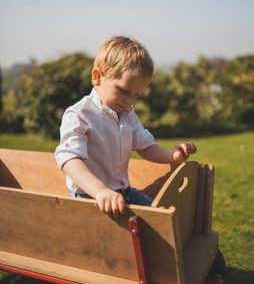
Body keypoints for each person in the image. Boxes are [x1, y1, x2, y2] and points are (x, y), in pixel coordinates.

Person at [55, 35, 197, 216]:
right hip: (89, 197)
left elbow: (146, 146)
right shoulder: (80, 115)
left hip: (125, 192)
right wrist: (99, 190)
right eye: (124, 91)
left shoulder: (128, 114)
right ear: (97, 77)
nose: (130, 101)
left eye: (137, 95)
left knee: (161, 217)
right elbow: (69, 160)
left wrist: (174, 155)